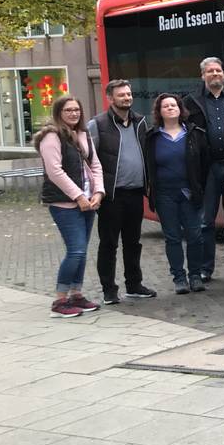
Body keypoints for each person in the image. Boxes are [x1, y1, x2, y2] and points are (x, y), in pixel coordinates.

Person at [87, 79, 155, 305]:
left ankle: (134, 285)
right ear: (110, 98)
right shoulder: (97, 124)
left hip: (135, 193)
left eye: (128, 94)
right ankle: (109, 290)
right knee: (109, 244)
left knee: (133, 242)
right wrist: (96, 191)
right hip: (111, 196)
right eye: (121, 95)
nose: (127, 98)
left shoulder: (140, 122)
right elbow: (89, 159)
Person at [36, 96, 104, 318]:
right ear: (59, 112)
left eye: (77, 109)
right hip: (64, 203)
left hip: (88, 201)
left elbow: (95, 164)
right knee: (76, 250)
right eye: (68, 110)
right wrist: (78, 196)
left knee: (82, 251)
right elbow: (54, 171)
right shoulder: (51, 136)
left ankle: (76, 294)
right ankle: (60, 301)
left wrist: (98, 192)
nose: (74, 113)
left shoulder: (83, 134)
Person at [143, 93, 209, 295]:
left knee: (195, 236)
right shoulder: (152, 137)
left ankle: (195, 275)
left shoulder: (195, 134)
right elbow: (147, 165)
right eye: (166, 106)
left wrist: (199, 188)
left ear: (181, 109)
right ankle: (179, 278)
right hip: (164, 194)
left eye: (174, 105)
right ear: (159, 111)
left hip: (189, 193)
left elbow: (204, 164)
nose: (170, 108)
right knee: (172, 237)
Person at [183, 57, 224, 283]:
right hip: (207, 169)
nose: (215, 74)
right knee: (206, 221)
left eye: (218, 70)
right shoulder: (190, 101)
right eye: (210, 71)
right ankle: (206, 268)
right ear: (202, 75)